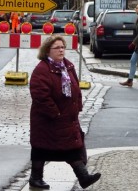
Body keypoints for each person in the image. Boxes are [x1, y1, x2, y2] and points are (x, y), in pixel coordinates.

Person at [29, 36, 101, 190]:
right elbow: (40, 95)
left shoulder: (67, 66)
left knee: (70, 146)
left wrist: (77, 106)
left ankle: (83, 177)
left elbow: (76, 87)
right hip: (47, 118)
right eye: (57, 47)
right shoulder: (42, 69)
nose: (61, 50)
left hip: (67, 116)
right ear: (48, 50)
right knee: (43, 147)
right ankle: (37, 178)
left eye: (63, 47)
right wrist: (55, 113)